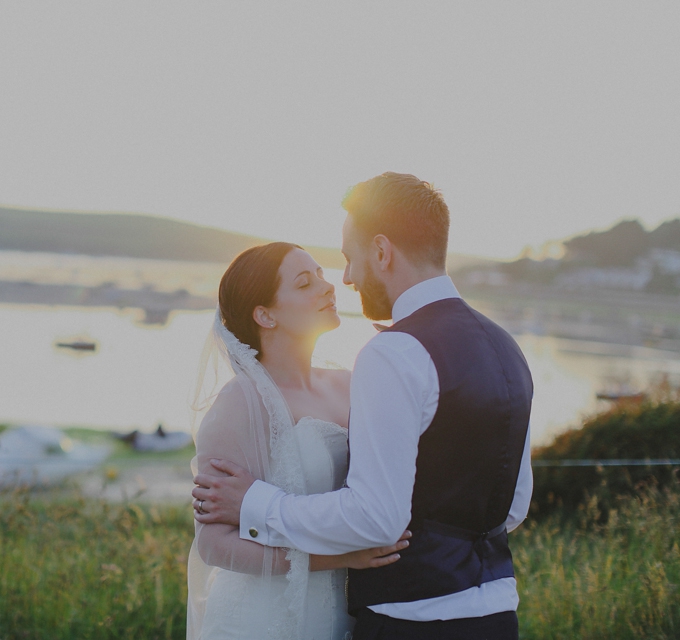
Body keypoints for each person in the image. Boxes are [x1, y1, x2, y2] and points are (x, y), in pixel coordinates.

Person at [192, 173, 534, 640]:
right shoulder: (506, 347)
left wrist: (257, 502)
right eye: (307, 281)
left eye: (346, 261)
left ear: (381, 251)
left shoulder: (392, 354)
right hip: (494, 612)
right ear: (264, 314)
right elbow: (512, 506)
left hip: (410, 618)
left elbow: (376, 517)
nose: (343, 280)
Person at [187, 241, 411, 640]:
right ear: (265, 315)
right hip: (261, 619)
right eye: (306, 283)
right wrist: (340, 558)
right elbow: (213, 543)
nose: (329, 288)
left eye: (323, 276)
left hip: (343, 614)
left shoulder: (351, 384)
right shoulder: (242, 402)